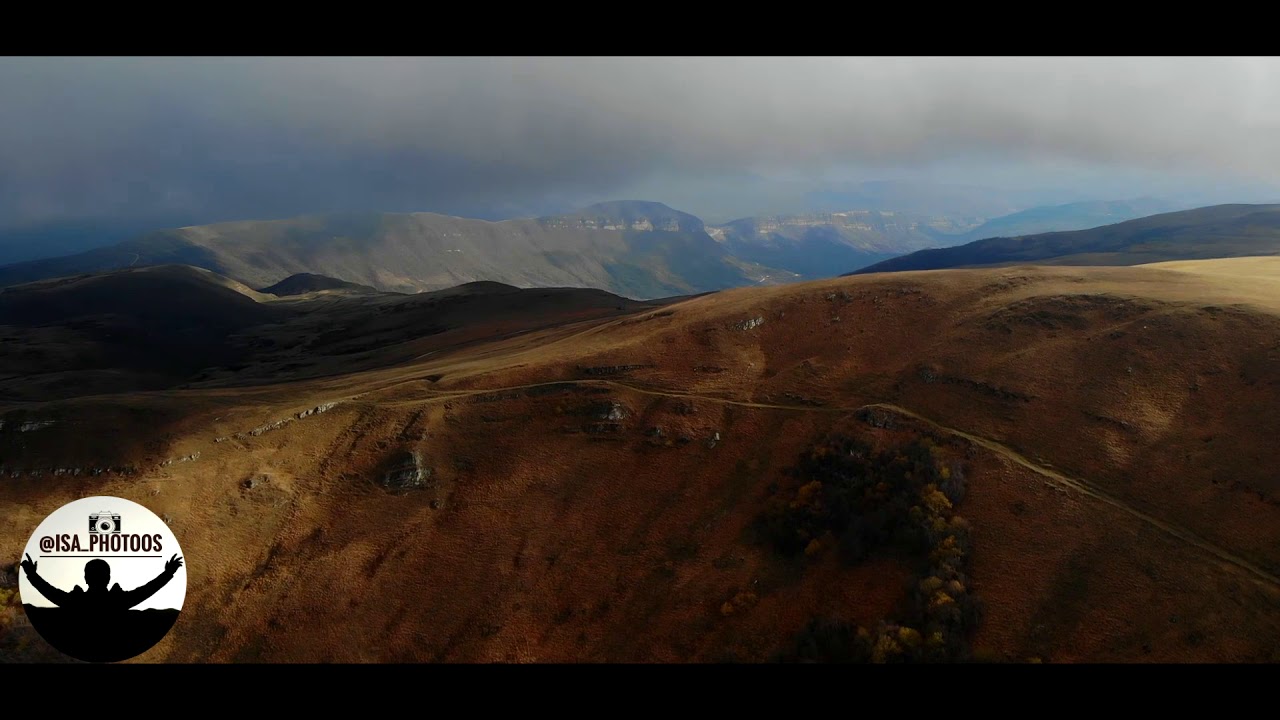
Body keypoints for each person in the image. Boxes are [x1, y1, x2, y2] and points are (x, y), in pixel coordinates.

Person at [20, 553, 183, 611]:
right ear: (108, 578)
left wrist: (31, 574)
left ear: (85, 578)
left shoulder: (75, 602)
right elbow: (148, 589)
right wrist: (169, 572)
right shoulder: (119, 601)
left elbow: (48, 591)